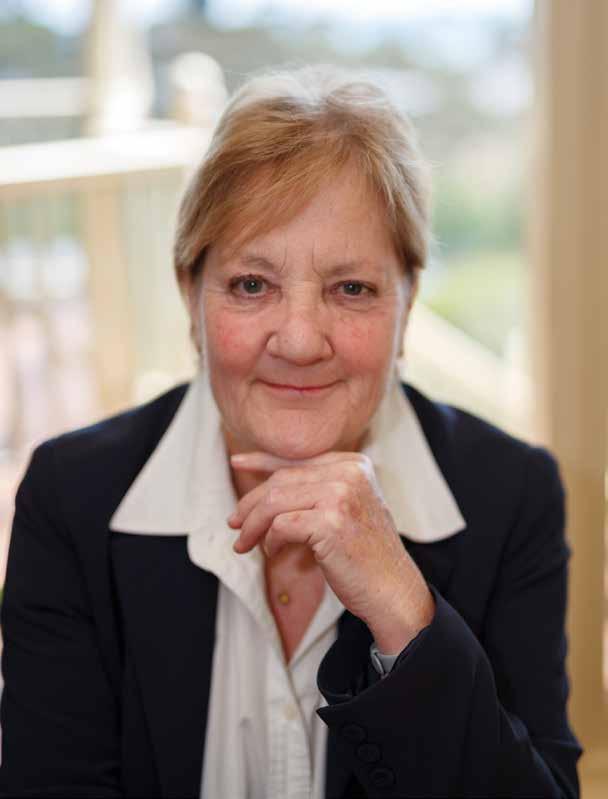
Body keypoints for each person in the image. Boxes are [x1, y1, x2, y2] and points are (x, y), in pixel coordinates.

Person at [0, 65, 582, 798]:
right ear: (190, 296)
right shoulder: (70, 499)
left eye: (351, 288)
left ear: (408, 304)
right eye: (252, 284)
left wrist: (407, 615)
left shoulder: (513, 497)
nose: (301, 340)